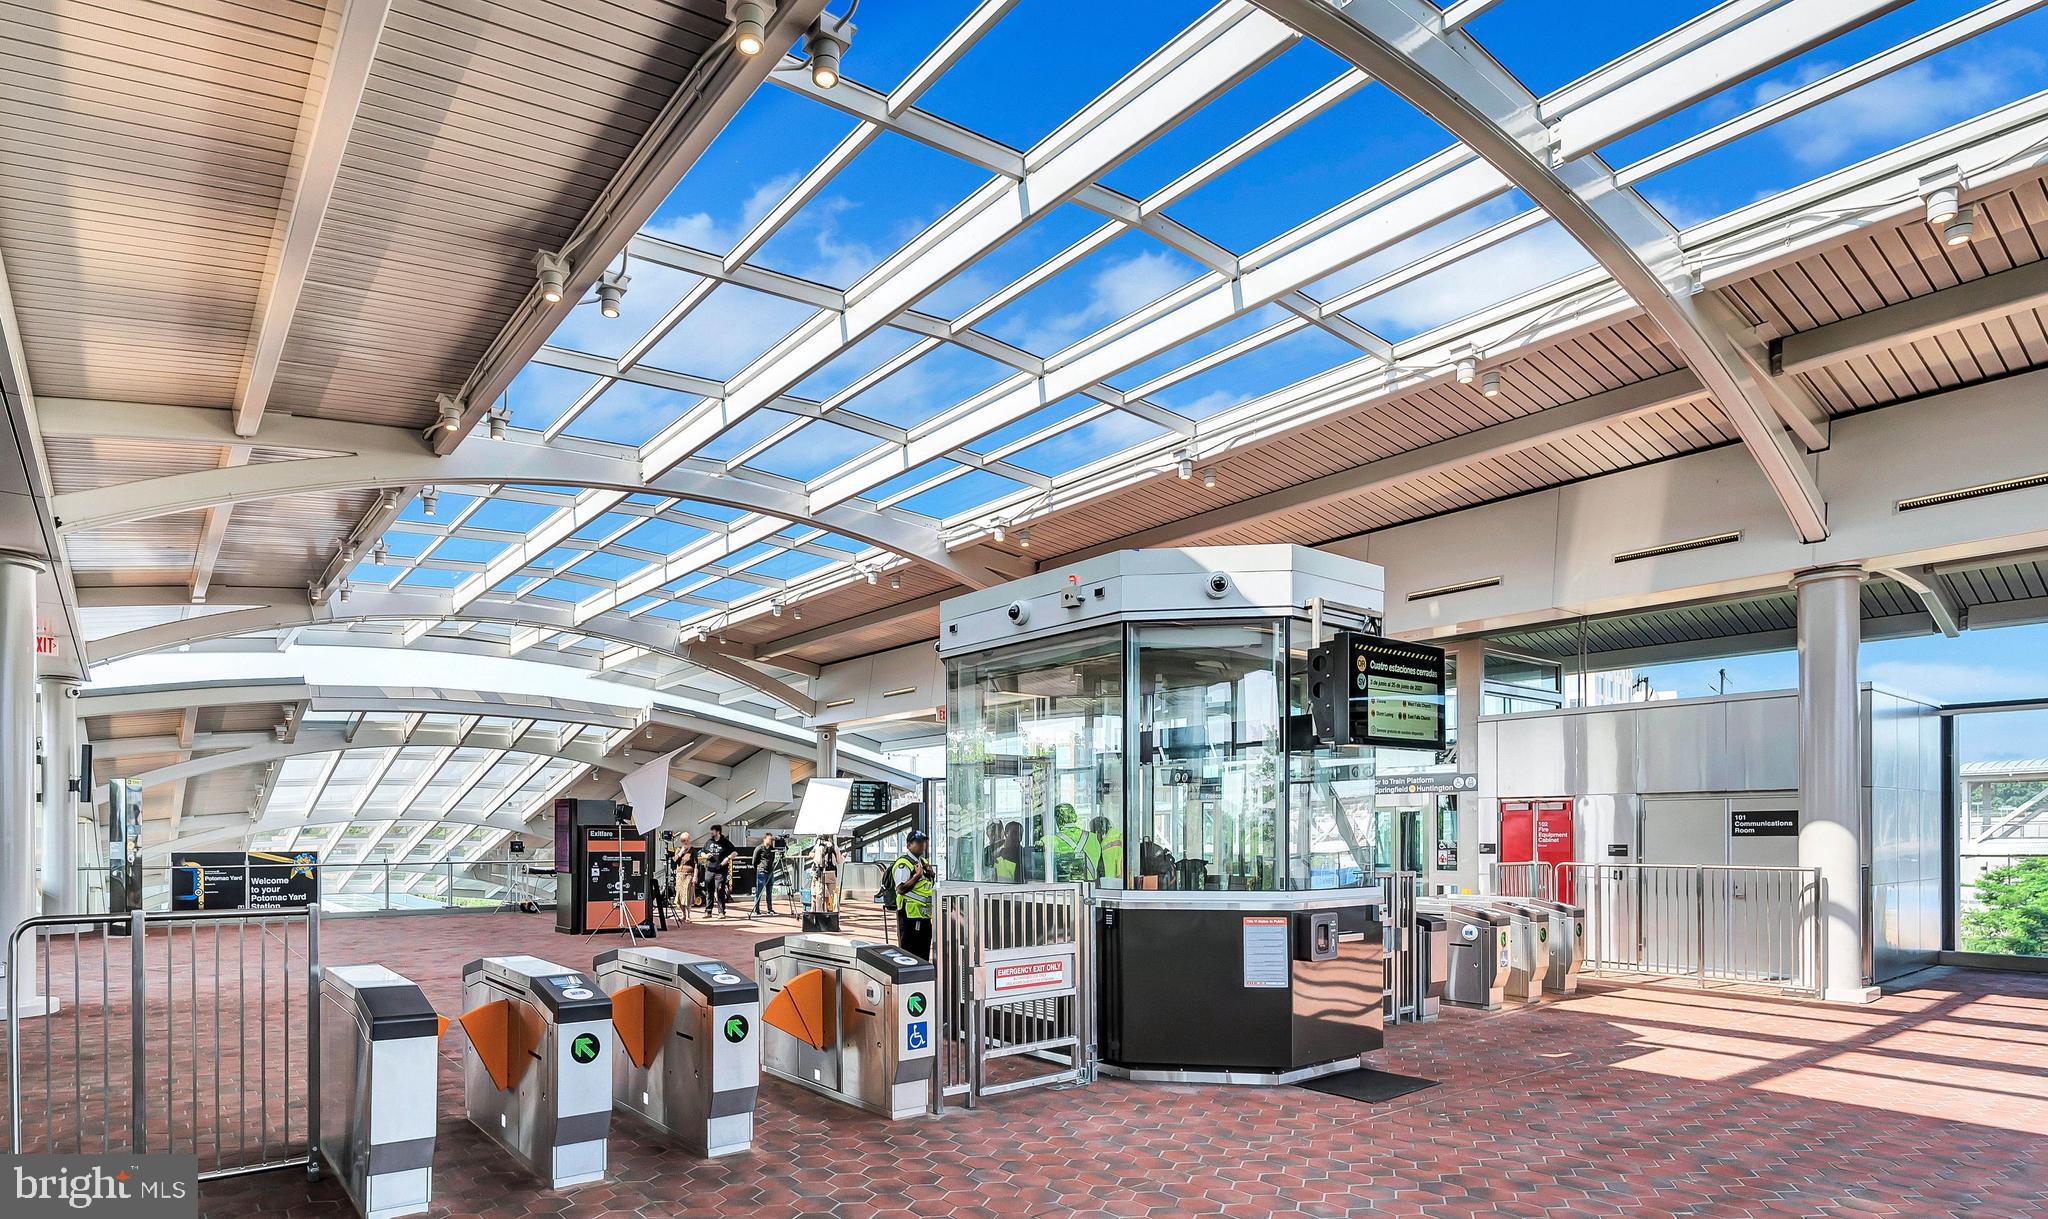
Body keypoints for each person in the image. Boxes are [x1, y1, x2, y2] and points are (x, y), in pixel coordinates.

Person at [891, 830, 936, 959]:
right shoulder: (903, 864)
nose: (922, 845)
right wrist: (916, 876)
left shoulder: (923, 862)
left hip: (923, 915)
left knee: (923, 952)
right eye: (918, 842)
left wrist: (931, 874)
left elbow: (926, 886)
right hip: (910, 916)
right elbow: (900, 889)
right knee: (911, 952)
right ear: (909, 845)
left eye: (923, 842)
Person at [700, 824, 735, 917]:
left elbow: (735, 852)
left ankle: (721, 912)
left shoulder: (725, 842)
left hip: (720, 870)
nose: (711, 832)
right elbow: (702, 852)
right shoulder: (709, 842)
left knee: (720, 890)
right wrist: (706, 856)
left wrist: (727, 858)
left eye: (712, 831)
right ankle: (708, 911)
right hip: (709, 870)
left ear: (718, 832)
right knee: (709, 891)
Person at [665, 832, 697, 923]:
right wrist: (680, 853)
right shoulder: (679, 849)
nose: (684, 843)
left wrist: (695, 876)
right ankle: (683, 914)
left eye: (686, 841)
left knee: (687, 894)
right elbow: (674, 860)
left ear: (689, 840)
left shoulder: (693, 851)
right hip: (680, 874)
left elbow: (696, 864)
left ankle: (688, 915)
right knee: (679, 895)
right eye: (683, 841)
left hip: (688, 874)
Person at [750, 833, 779, 916]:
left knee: (769, 892)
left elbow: (783, 850)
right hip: (761, 872)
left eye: (772, 839)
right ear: (765, 839)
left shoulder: (772, 849)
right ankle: (756, 910)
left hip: (770, 872)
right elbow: (754, 861)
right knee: (759, 891)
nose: (771, 841)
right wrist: (758, 869)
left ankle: (770, 909)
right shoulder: (759, 848)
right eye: (770, 839)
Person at [809, 835, 839, 914]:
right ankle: (835, 913)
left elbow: (817, 861)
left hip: (821, 873)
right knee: (834, 894)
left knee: (819, 894)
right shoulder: (834, 846)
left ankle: (819, 912)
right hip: (832, 872)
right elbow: (839, 860)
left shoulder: (819, 847)